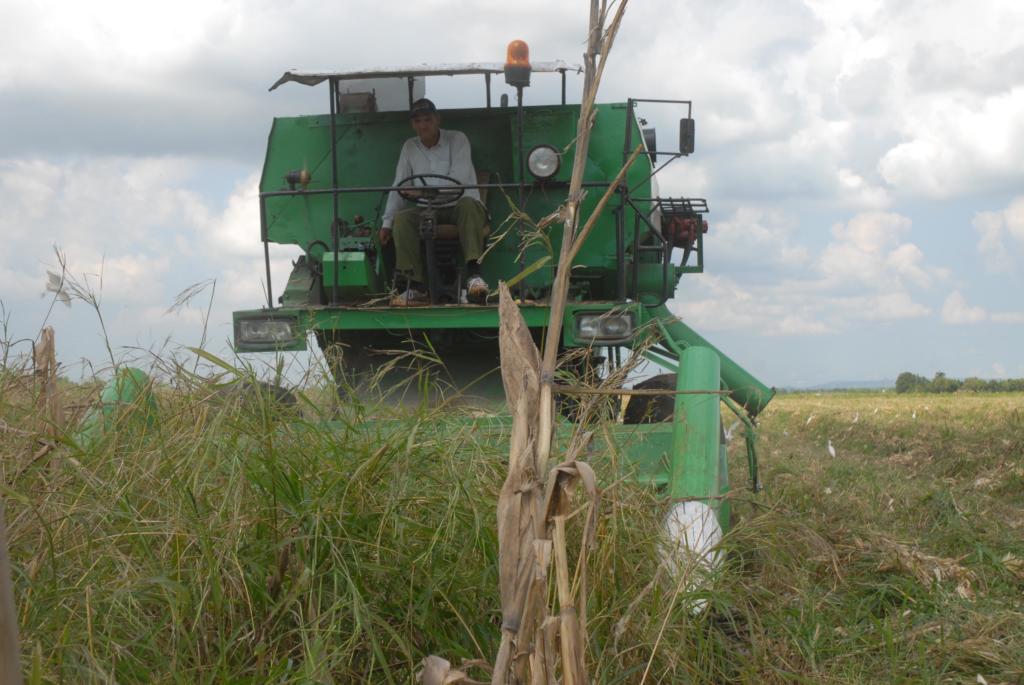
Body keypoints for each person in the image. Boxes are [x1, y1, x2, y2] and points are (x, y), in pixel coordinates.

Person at [380, 98, 490, 306]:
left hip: (459, 206)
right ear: (413, 125)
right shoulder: (409, 147)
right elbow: (398, 184)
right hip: (428, 209)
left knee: (469, 206)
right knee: (402, 220)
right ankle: (416, 286)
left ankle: (474, 276)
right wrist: (387, 223)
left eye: (428, 119)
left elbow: (459, 179)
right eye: (418, 121)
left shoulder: (458, 139)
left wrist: (422, 190)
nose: (423, 125)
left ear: (437, 119)